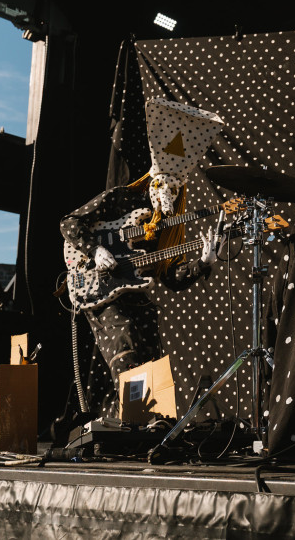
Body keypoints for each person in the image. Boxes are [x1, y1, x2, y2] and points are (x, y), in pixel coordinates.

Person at [60, 98, 225, 420]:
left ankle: (148, 423)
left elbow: (171, 278)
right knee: (125, 346)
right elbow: (70, 223)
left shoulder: (169, 226)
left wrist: (204, 262)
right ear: (151, 181)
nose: (166, 197)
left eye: (174, 191)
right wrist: (96, 250)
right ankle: (134, 419)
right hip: (98, 286)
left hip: (136, 292)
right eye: (162, 187)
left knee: (151, 357)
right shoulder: (121, 198)